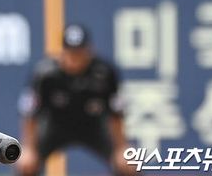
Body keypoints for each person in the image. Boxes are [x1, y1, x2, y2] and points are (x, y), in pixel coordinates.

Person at [16, 24, 134, 176]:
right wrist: (29, 148)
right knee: (26, 164)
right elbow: (29, 114)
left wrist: (121, 148)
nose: (74, 59)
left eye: (79, 53)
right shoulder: (45, 74)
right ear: (62, 52)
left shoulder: (104, 73)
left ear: (89, 51)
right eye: (70, 53)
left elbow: (116, 114)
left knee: (129, 163)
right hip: (55, 126)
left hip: (94, 126)